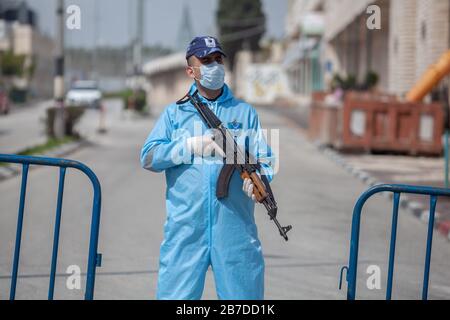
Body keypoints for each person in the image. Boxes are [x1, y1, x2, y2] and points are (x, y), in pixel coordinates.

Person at [140, 36, 276, 300]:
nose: (214, 65)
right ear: (191, 71)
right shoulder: (174, 114)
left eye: (217, 59)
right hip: (186, 228)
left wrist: (259, 179)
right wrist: (188, 146)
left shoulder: (244, 113)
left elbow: (267, 159)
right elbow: (148, 157)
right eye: (205, 60)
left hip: (235, 228)